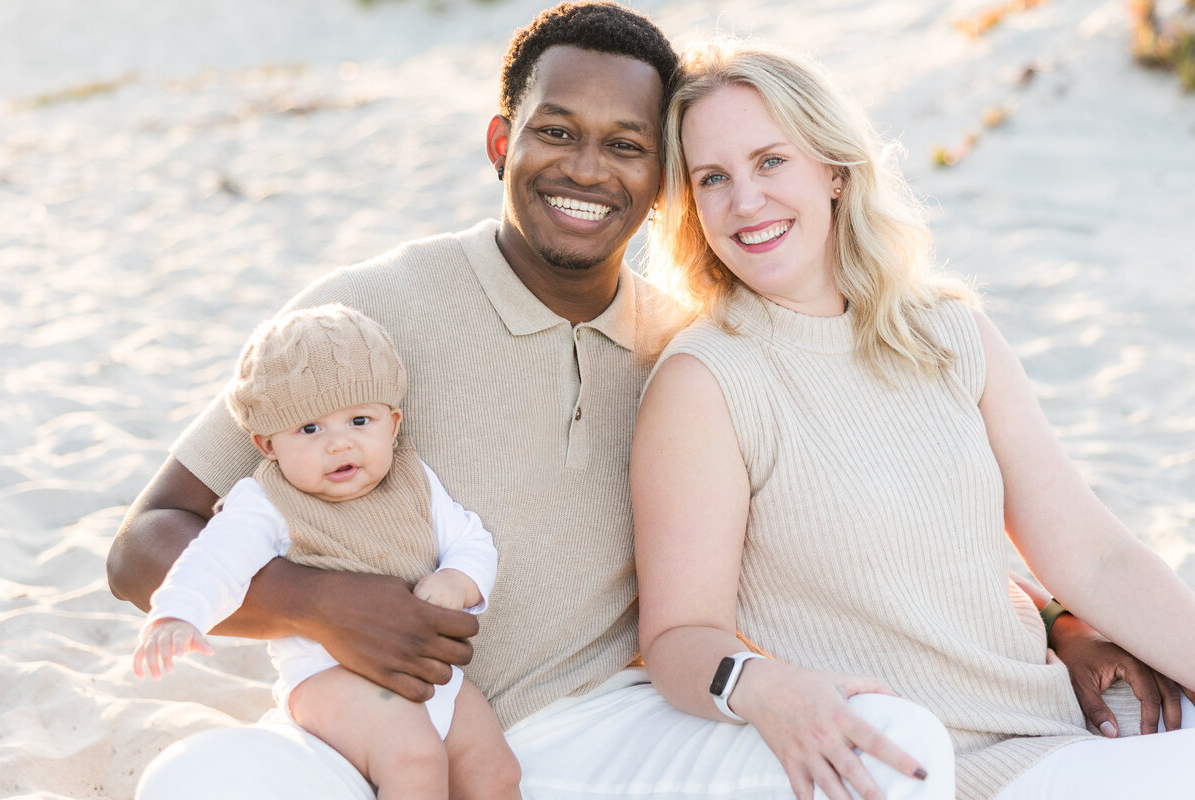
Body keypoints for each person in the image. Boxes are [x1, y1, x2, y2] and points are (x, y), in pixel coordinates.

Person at [107, 3, 1187, 798]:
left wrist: (1057, 614)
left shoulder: (676, 342)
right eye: (554, 130)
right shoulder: (367, 311)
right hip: (383, 719)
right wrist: (321, 602)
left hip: (607, 728)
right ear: (501, 142)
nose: (588, 166)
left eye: (627, 144)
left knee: (878, 749)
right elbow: (145, 541)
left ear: (655, 178)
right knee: (204, 778)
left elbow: (874, 508)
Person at [632, 37, 1195, 800]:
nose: (746, 201)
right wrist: (767, 689)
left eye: (772, 161)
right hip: (923, 761)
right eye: (713, 178)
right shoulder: (706, 381)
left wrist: (1069, 624)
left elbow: (1093, 556)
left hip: (1065, 715)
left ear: (832, 170)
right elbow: (677, 637)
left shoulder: (949, 331)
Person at [131, 304, 513, 800]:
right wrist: (179, 613)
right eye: (309, 430)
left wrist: (458, 580)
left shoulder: (414, 480)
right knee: (413, 757)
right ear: (268, 445)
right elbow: (216, 558)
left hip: (428, 672)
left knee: (496, 771)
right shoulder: (266, 501)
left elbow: (472, 541)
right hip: (328, 678)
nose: (338, 444)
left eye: (359, 420)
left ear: (392, 424)